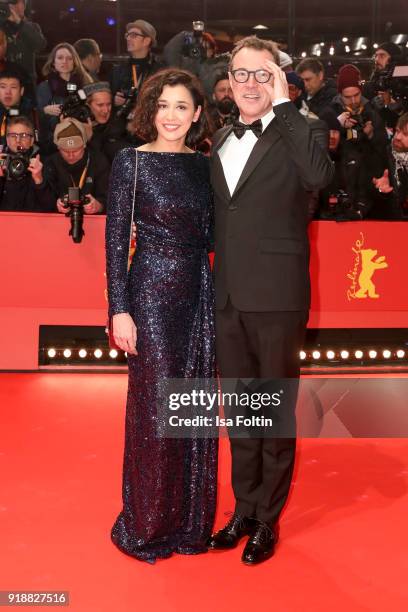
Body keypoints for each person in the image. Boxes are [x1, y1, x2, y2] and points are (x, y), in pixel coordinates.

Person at [207, 36, 333, 565]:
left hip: (278, 296)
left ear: (279, 79)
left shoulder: (303, 130)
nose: (250, 83)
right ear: (229, 81)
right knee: (241, 412)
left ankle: (266, 520)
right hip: (228, 296)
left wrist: (286, 109)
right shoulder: (216, 140)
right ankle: (242, 509)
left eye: (262, 74)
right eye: (241, 74)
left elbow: (319, 177)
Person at [106, 68, 217, 563]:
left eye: (181, 107)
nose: (171, 116)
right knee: (154, 410)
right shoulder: (131, 163)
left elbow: (216, 235)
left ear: (196, 114)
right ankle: (149, 523)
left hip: (199, 293)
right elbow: (114, 244)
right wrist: (119, 308)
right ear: (151, 109)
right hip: (149, 294)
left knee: (190, 407)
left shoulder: (205, 166)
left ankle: (188, 522)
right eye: (163, 105)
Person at [320, 64, 388, 219]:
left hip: (367, 188)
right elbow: (322, 150)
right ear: (340, 94)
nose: (352, 100)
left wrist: (370, 136)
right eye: (347, 96)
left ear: (361, 91)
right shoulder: (329, 113)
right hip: (339, 185)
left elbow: (383, 149)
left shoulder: (372, 112)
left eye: (356, 95)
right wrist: (338, 127)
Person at [36, 43, 92, 155]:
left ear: (74, 62)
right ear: (53, 62)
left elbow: (91, 110)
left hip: (81, 140)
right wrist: (44, 111)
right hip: (53, 144)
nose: (64, 62)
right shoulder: (44, 87)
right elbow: (37, 120)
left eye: (69, 58)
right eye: (60, 58)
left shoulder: (84, 84)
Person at [45, 117, 109, 215]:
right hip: (59, 221)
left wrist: (99, 206)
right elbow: (43, 202)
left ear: (84, 145)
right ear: (58, 147)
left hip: (93, 221)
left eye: (76, 150)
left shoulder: (99, 161)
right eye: (65, 151)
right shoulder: (51, 163)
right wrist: (56, 204)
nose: (71, 155)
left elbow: (110, 198)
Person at [0, 114, 54, 211]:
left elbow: (50, 207)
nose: (18, 140)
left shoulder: (43, 163)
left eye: (23, 135)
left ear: (32, 140)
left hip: (32, 222)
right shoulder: (1, 161)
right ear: (7, 139)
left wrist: (39, 181)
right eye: (13, 136)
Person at [109, 20, 162, 115]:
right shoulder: (118, 70)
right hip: (121, 125)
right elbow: (107, 97)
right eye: (127, 35)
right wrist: (113, 99)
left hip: (148, 124)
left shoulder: (160, 71)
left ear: (146, 41)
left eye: (133, 35)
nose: (128, 38)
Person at [83, 81, 134, 163]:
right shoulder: (78, 128)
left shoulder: (119, 125)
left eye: (108, 104)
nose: (106, 110)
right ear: (87, 105)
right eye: (100, 105)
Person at [2, 0, 46, 85]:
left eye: (18, 3)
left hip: (26, 82)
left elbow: (40, 45)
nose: (15, 7)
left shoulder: (32, 27)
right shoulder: (2, 27)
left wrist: (19, 23)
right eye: (12, 4)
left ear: (24, 6)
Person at [373, 112, 408, 219]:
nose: (397, 137)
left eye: (406, 134)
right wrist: (382, 193)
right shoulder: (381, 156)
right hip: (392, 227)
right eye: (397, 131)